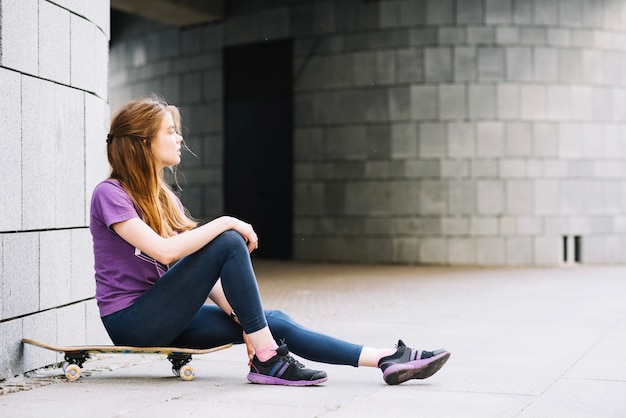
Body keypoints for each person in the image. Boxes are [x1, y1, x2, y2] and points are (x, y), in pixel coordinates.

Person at [90, 97, 450, 387]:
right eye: (171, 131)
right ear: (143, 142)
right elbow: (165, 252)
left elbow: (200, 274)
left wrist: (244, 319)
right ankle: (268, 359)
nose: (180, 137)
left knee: (268, 319)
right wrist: (226, 222)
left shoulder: (164, 199)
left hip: (168, 314)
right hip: (132, 321)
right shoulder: (110, 194)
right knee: (229, 240)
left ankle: (385, 358)